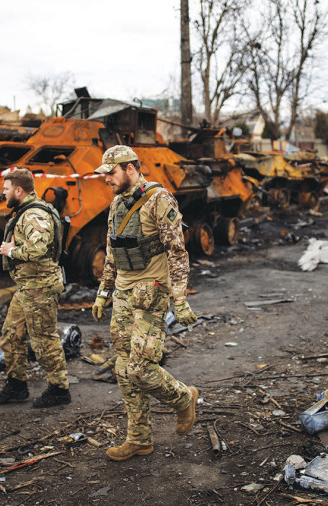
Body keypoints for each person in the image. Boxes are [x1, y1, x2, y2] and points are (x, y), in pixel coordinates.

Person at [91, 145, 198, 461]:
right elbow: (112, 252)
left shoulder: (158, 199)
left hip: (150, 294)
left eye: (111, 173)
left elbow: (177, 252)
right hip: (123, 296)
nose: (107, 179)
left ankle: (183, 398)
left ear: (130, 168)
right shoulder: (116, 205)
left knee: (140, 369)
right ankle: (138, 439)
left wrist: (179, 298)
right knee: (124, 369)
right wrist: (103, 291)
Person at [0, 168, 72, 408]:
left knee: (43, 338)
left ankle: (59, 389)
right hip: (28, 286)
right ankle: (17, 385)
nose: (3, 193)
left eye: (6, 189)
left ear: (19, 190)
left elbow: (38, 250)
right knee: (11, 334)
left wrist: (10, 251)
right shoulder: (25, 211)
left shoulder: (34, 215)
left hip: (41, 286)